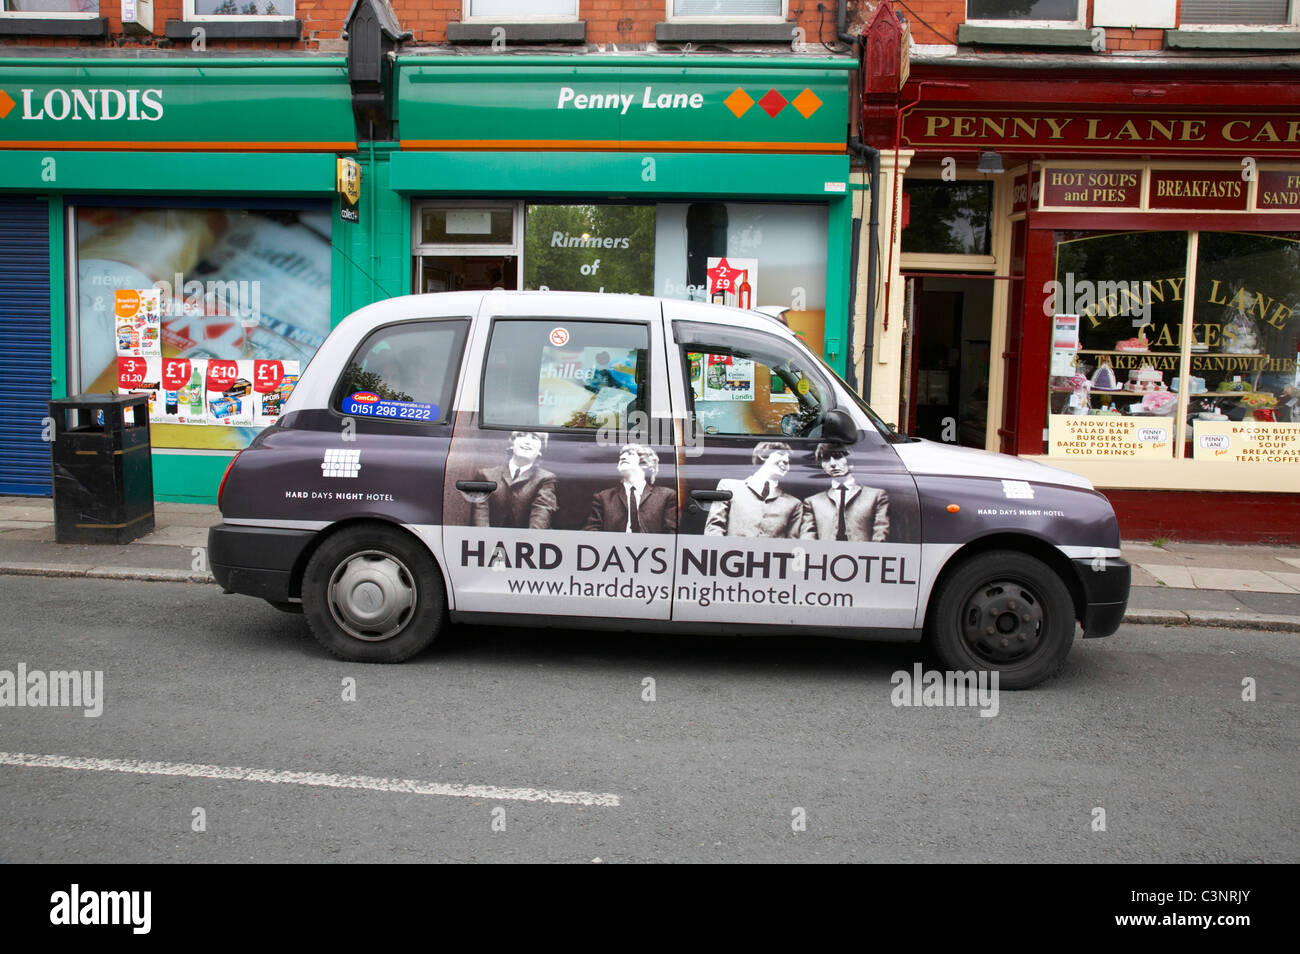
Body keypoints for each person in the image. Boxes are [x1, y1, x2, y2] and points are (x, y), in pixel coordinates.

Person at [702, 441, 803, 538]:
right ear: (762, 454)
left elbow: (792, 546)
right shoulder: (729, 487)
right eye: (781, 453)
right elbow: (713, 529)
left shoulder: (794, 504)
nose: (786, 460)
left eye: (789, 459)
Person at [470, 431, 558, 530]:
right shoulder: (485, 476)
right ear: (512, 444)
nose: (527, 442)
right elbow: (480, 521)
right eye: (521, 435)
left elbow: (541, 516)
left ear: (540, 450)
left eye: (534, 438)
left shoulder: (545, 479)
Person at [802, 443, 889, 542]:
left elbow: (880, 535)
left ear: (851, 462)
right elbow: (807, 540)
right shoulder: (813, 502)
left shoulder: (875, 496)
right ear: (822, 465)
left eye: (837, 456)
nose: (832, 463)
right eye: (826, 458)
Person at [584, 444, 676, 533]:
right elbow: (591, 531)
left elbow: (672, 534)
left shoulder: (666, 496)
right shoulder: (604, 497)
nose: (623, 457)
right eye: (621, 455)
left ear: (645, 462)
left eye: (630, 454)